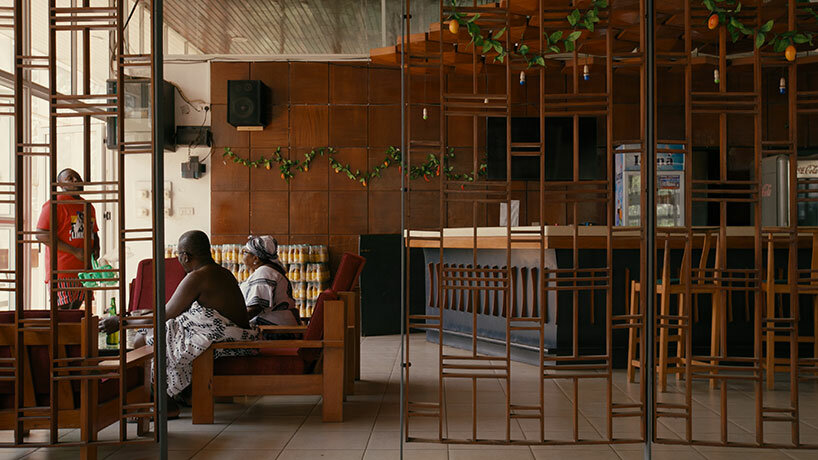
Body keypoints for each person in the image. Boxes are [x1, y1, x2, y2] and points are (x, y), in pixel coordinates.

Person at [130, 230, 258, 417]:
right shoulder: (222, 272)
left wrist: (120, 321)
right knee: (166, 333)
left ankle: (165, 404)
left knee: (144, 338)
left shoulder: (198, 276)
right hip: (234, 335)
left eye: (179, 256)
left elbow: (165, 314)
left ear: (185, 256)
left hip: (230, 341)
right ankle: (183, 394)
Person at [36, 168, 100, 309]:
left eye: (77, 177)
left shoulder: (88, 206)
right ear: (60, 185)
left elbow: (94, 233)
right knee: (63, 313)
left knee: (76, 311)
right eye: (70, 178)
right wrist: (75, 251)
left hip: (84, 272)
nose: (76, 180)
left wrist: (96, 248)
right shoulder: (55, 204)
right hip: (62, 271)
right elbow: (41, 234)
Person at [240, 235, 299, 335]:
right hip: (277, 328)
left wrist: (232, 321)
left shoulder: (264, 272)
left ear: (256, 258)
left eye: (245, 252)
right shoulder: (267, 270)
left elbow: (255, 308)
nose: (242, 255)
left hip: (274, 331)